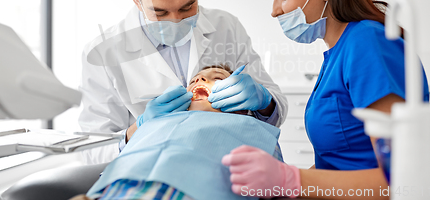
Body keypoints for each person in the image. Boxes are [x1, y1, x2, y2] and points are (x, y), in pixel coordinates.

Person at [221, 0, 430, 199]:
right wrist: (286, 187)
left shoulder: (368, 43)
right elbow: (338, 163)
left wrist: (292, 180)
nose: (274, 10)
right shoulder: (338, 52)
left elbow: (402, 178)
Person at [78, 0, 288, 164]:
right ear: (137, 0)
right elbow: (91, 151)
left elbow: (276, 109)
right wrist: (139, 129)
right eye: (160, 12)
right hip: (148, 167)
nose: (176, 20)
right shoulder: (103, 53)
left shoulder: (226, 26)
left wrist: (264, 103)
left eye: (187, 7)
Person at [70, 65, 283, 200]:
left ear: (242, 104)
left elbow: (276, 185)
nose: (199, 80)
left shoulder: (255, 130)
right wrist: (140, 125)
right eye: (194, 80)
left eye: (216, 77)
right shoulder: (152, 123)